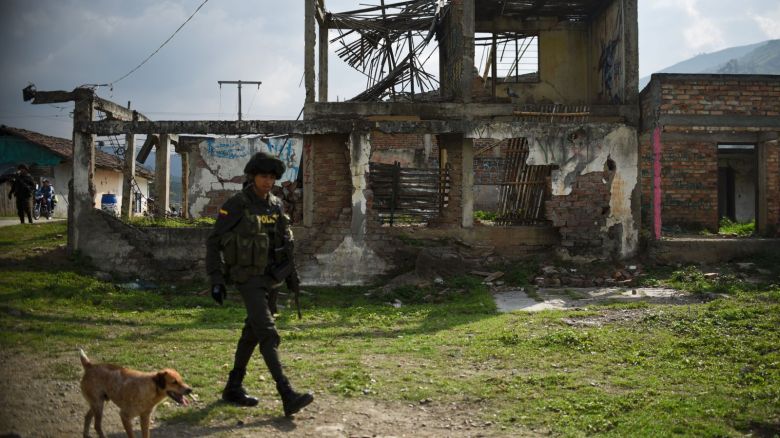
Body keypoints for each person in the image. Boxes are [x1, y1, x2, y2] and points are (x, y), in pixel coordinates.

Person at [205, 151, 313, 417]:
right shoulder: (237, 204)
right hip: (247, 278)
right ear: (253, 176)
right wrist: (216, 278)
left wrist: (290, 276)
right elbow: (214, 241)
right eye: (263, 176)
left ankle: (233, 386)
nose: (268, 181)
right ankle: (287, 394)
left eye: (272, 177)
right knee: (268, 332)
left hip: (271, 278)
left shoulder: (275, 204)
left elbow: (283, 244)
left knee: (252, 333)